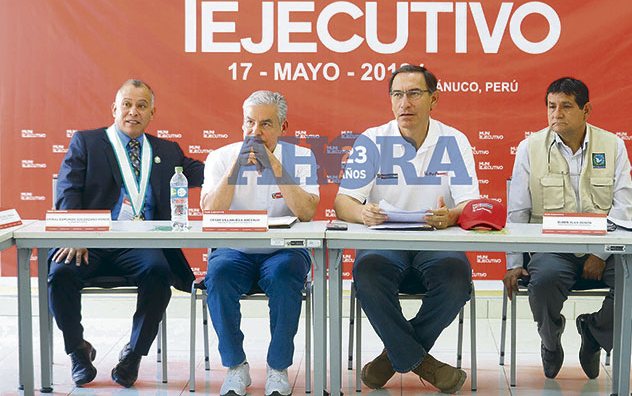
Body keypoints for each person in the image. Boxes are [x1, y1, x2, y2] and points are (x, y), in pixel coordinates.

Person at [334, 64, 480, 393]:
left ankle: (393, 357)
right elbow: (343, 202)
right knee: (368, 273)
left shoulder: (454, 140)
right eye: (397, 94)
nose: (405, 103)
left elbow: (470, 204)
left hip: (436, 240)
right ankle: (423, 363)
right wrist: (362, 213)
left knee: (456, 280)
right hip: (384, 240)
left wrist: (451, 216)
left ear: (434, 99)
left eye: (414, 93)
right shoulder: (372, 140)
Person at [49, 79, 204, 387]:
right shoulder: (87, 142)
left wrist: (241, 158)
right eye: (127, 104)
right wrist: (75, 234)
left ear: (152, 113)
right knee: (60, 273)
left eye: (142, 106)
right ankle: (78, 351)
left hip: (140, 244)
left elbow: (206, 173)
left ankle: (133, 354)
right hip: (90, 241)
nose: (134, 111)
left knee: (159, 272)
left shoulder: (167, 150)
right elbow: (67, 191)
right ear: (115, 109)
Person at [503, 76, 632, 380]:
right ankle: (550, 341)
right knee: (543, 282)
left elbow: (624, 204)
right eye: (551, 106)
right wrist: (514, 263)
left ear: (587, 110)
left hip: (604, 248)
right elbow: (517, 211)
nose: (556, 114)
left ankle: (594, 332)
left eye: (566, 106)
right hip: (552, 250)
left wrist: (600, 254)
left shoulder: (613, 145)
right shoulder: (530, 148)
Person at [201, 90, 319, 396]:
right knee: (219, 274)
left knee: (284, 274)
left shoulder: (302, 157)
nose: (255, 132)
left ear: (282, 126)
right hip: (234, 249)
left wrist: (275, 166)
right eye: (249, 122)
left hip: (284, 249)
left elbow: (306, 212)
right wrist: (235, 168)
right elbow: (211, 210)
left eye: (265, 124)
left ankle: (278, 368)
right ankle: (235, 366)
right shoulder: (221, 157)